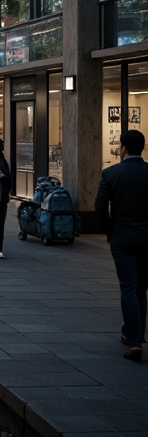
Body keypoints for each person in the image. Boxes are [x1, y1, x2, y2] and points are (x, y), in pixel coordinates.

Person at [94, 128, 148, 362]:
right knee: (141, 289)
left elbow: (99, 206)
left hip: (122, 238)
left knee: (127, 286)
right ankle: (136, 336)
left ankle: (134, 340)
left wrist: (110, 231)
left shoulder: (111, 173)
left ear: (123, 148)